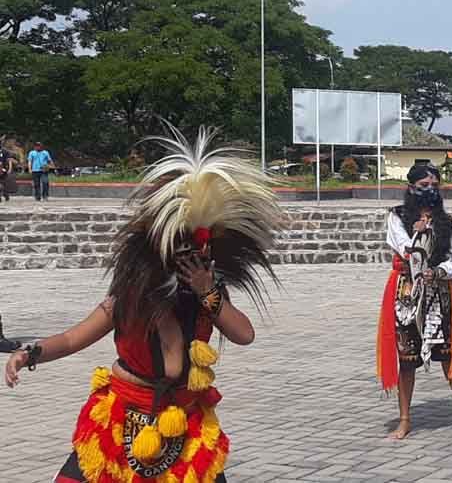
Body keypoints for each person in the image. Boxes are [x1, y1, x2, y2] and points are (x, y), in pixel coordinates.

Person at [4, 125, 284, 482]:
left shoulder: (208, 296)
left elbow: (244, 334)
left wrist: (206, 289)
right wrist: (30, 354)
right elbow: (73, 339)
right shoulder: (127, 299)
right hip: (122, 415)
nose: (194, 262)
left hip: (184, 421)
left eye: (201, 257)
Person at [376, 163, 452, 439]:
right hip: (407, 295)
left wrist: (440, 272)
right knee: (407, 358)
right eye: (424, 186)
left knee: (445, 354)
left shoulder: (446, 222)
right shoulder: (396, 217)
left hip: (438, 292)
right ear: (411, 188)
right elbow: (407, 250)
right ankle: (405, 419)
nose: (430, 190)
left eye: (434, 186)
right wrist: (420, 233)